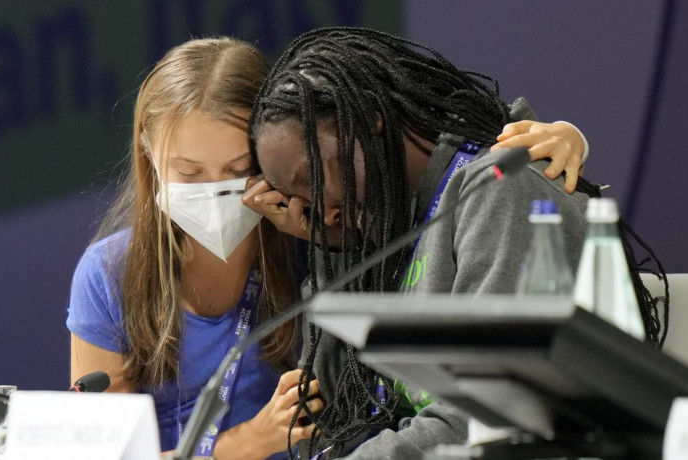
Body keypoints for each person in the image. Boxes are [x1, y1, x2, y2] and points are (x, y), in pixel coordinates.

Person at [243, 27, 666, 459]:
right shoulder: (382, 225)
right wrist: (336, 248)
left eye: (310, 181)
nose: (320, 210)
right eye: (296, 200)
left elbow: (487, 420)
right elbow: (340, 416)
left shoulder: (501, 188)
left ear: (364, 126)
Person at [66, 38, 323, 459]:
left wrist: (323, 246)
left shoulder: (310, 251)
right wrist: (249, 443)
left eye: (238, 170)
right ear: (149, 154)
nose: (213, 191)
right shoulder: (108, 274)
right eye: (189, 172)